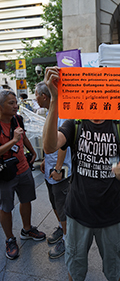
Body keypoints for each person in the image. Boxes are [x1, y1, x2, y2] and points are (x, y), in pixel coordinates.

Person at [43, 66, 120, 281]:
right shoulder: (75, 123)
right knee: (75, 269)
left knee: (113, 269)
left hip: (111, 214)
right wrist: (54, 101)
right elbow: (49, 146)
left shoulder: (119, 125)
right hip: (78, 213)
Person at [0, 89, 46, 260]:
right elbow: (14, 140)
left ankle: (27, 229)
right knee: (6, 207)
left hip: (23, 168)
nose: (15, 105)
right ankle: (9, 239)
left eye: (15, 102)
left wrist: (32, 151)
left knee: (26, 199)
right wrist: (12, 140)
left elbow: (23, 136)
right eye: (11, 103)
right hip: (5, 173)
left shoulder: (17, 119)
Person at [35, 81, 71, 259]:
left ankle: (67, 238)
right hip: (50, 167)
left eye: (36, 95)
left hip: (61, 170)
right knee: (54, 202)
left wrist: (58, 168)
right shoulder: (51, 111)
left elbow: (63, 146)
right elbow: (47, 141)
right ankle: (61, 226)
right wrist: (44, 160)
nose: (35, 98)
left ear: (44, 96)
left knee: (62, 205)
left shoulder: (63, 113)